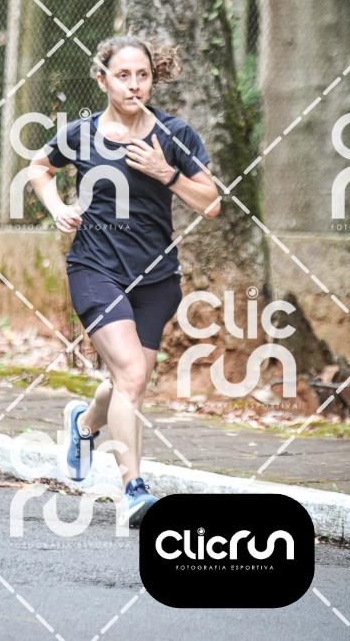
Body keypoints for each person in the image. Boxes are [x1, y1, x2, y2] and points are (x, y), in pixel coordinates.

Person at [29, 35, 220, 526]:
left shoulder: (174, 134)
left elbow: (212, 202)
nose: (134, 85)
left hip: (156, 279)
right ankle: (134, 490)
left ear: (153, 80)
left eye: (142, 76)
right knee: (132, 375)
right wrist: (57, 207)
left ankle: (84, 424)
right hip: (95, 269)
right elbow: (39, 167)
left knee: (126, 384)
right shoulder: (82, 134)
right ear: (102, 80)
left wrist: (166, 173)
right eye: (123, 75)